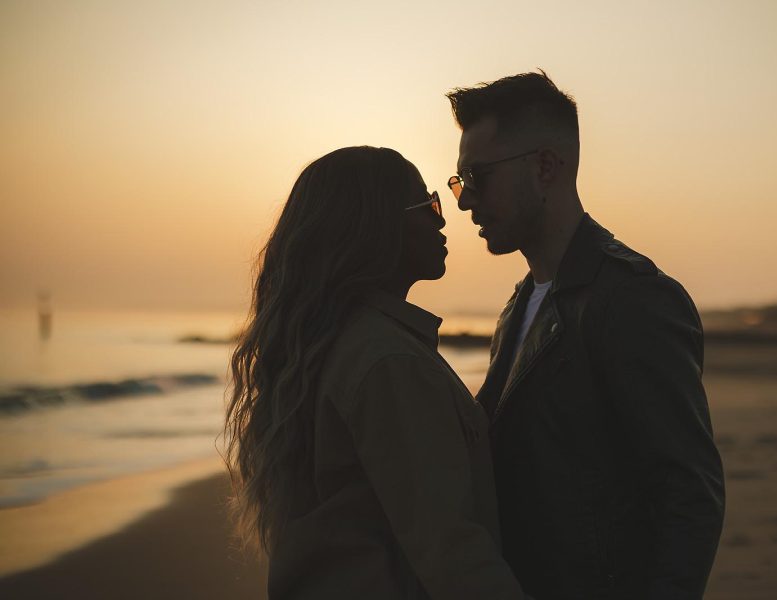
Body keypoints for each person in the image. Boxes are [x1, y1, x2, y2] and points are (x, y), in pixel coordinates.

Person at [446, 72, 726, 599]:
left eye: (478, 178)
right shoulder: (520, 304)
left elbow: (690, 494)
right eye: (459, 183)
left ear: (545, 167)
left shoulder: (634, 299)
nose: (465, 202)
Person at [224, 146, 527, 600]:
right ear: (374, 225)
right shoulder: (388, 362)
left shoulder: (334, 343)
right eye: (427, 204)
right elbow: (451, 551)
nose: (441, 219)